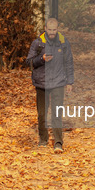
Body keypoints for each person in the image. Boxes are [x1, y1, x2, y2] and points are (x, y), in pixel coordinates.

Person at [26, 18, 74, 153]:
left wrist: (70, 81)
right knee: (42, 114)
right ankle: (43, 139)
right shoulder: (38, 43)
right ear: (45, 29)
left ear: (57, 29)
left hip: (58, 83)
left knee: (57, 113)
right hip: (42, 83)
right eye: (50, 30)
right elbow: (29, 62)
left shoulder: (63, 43)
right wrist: (41, 59)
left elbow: (69, 62)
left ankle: (58, 143)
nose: (52, 32)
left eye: (54, 30)